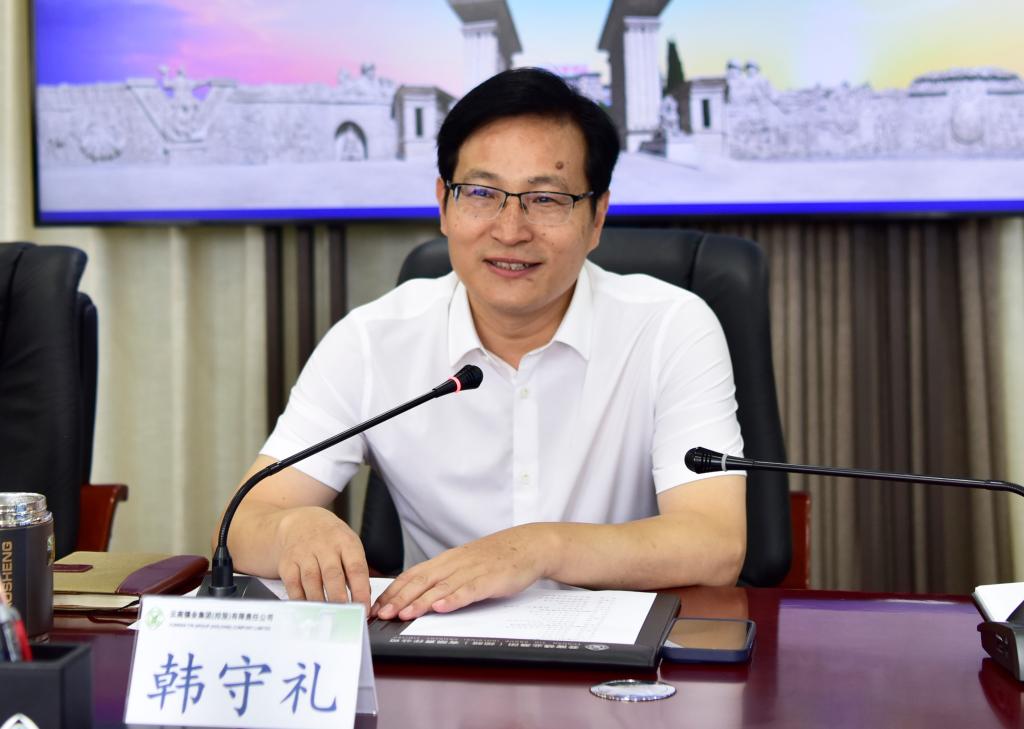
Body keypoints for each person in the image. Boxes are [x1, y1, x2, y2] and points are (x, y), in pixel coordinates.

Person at [218, 68, 746, 620]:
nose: (510, 230)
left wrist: (538, 548)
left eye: (546, 199)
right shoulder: (371, 341)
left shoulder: (669, 327)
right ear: (444, 205)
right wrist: (293, 528)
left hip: (621, 654)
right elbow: (242, 525)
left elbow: (715, 543)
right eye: (481, 193)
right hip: (437, 648)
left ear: (597, 218)